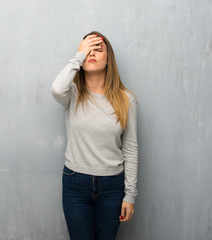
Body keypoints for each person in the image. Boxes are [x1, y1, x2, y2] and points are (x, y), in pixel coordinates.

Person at [50, 31, 139, 240]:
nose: (92, 53)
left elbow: (131, 147)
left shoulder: (126, 100)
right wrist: (78, 55)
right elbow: (56, 89)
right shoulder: (71, 94)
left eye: (98, 49)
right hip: (75, 184)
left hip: (112, 186)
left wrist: (131, 195)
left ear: (109, 59)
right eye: (87, 49)